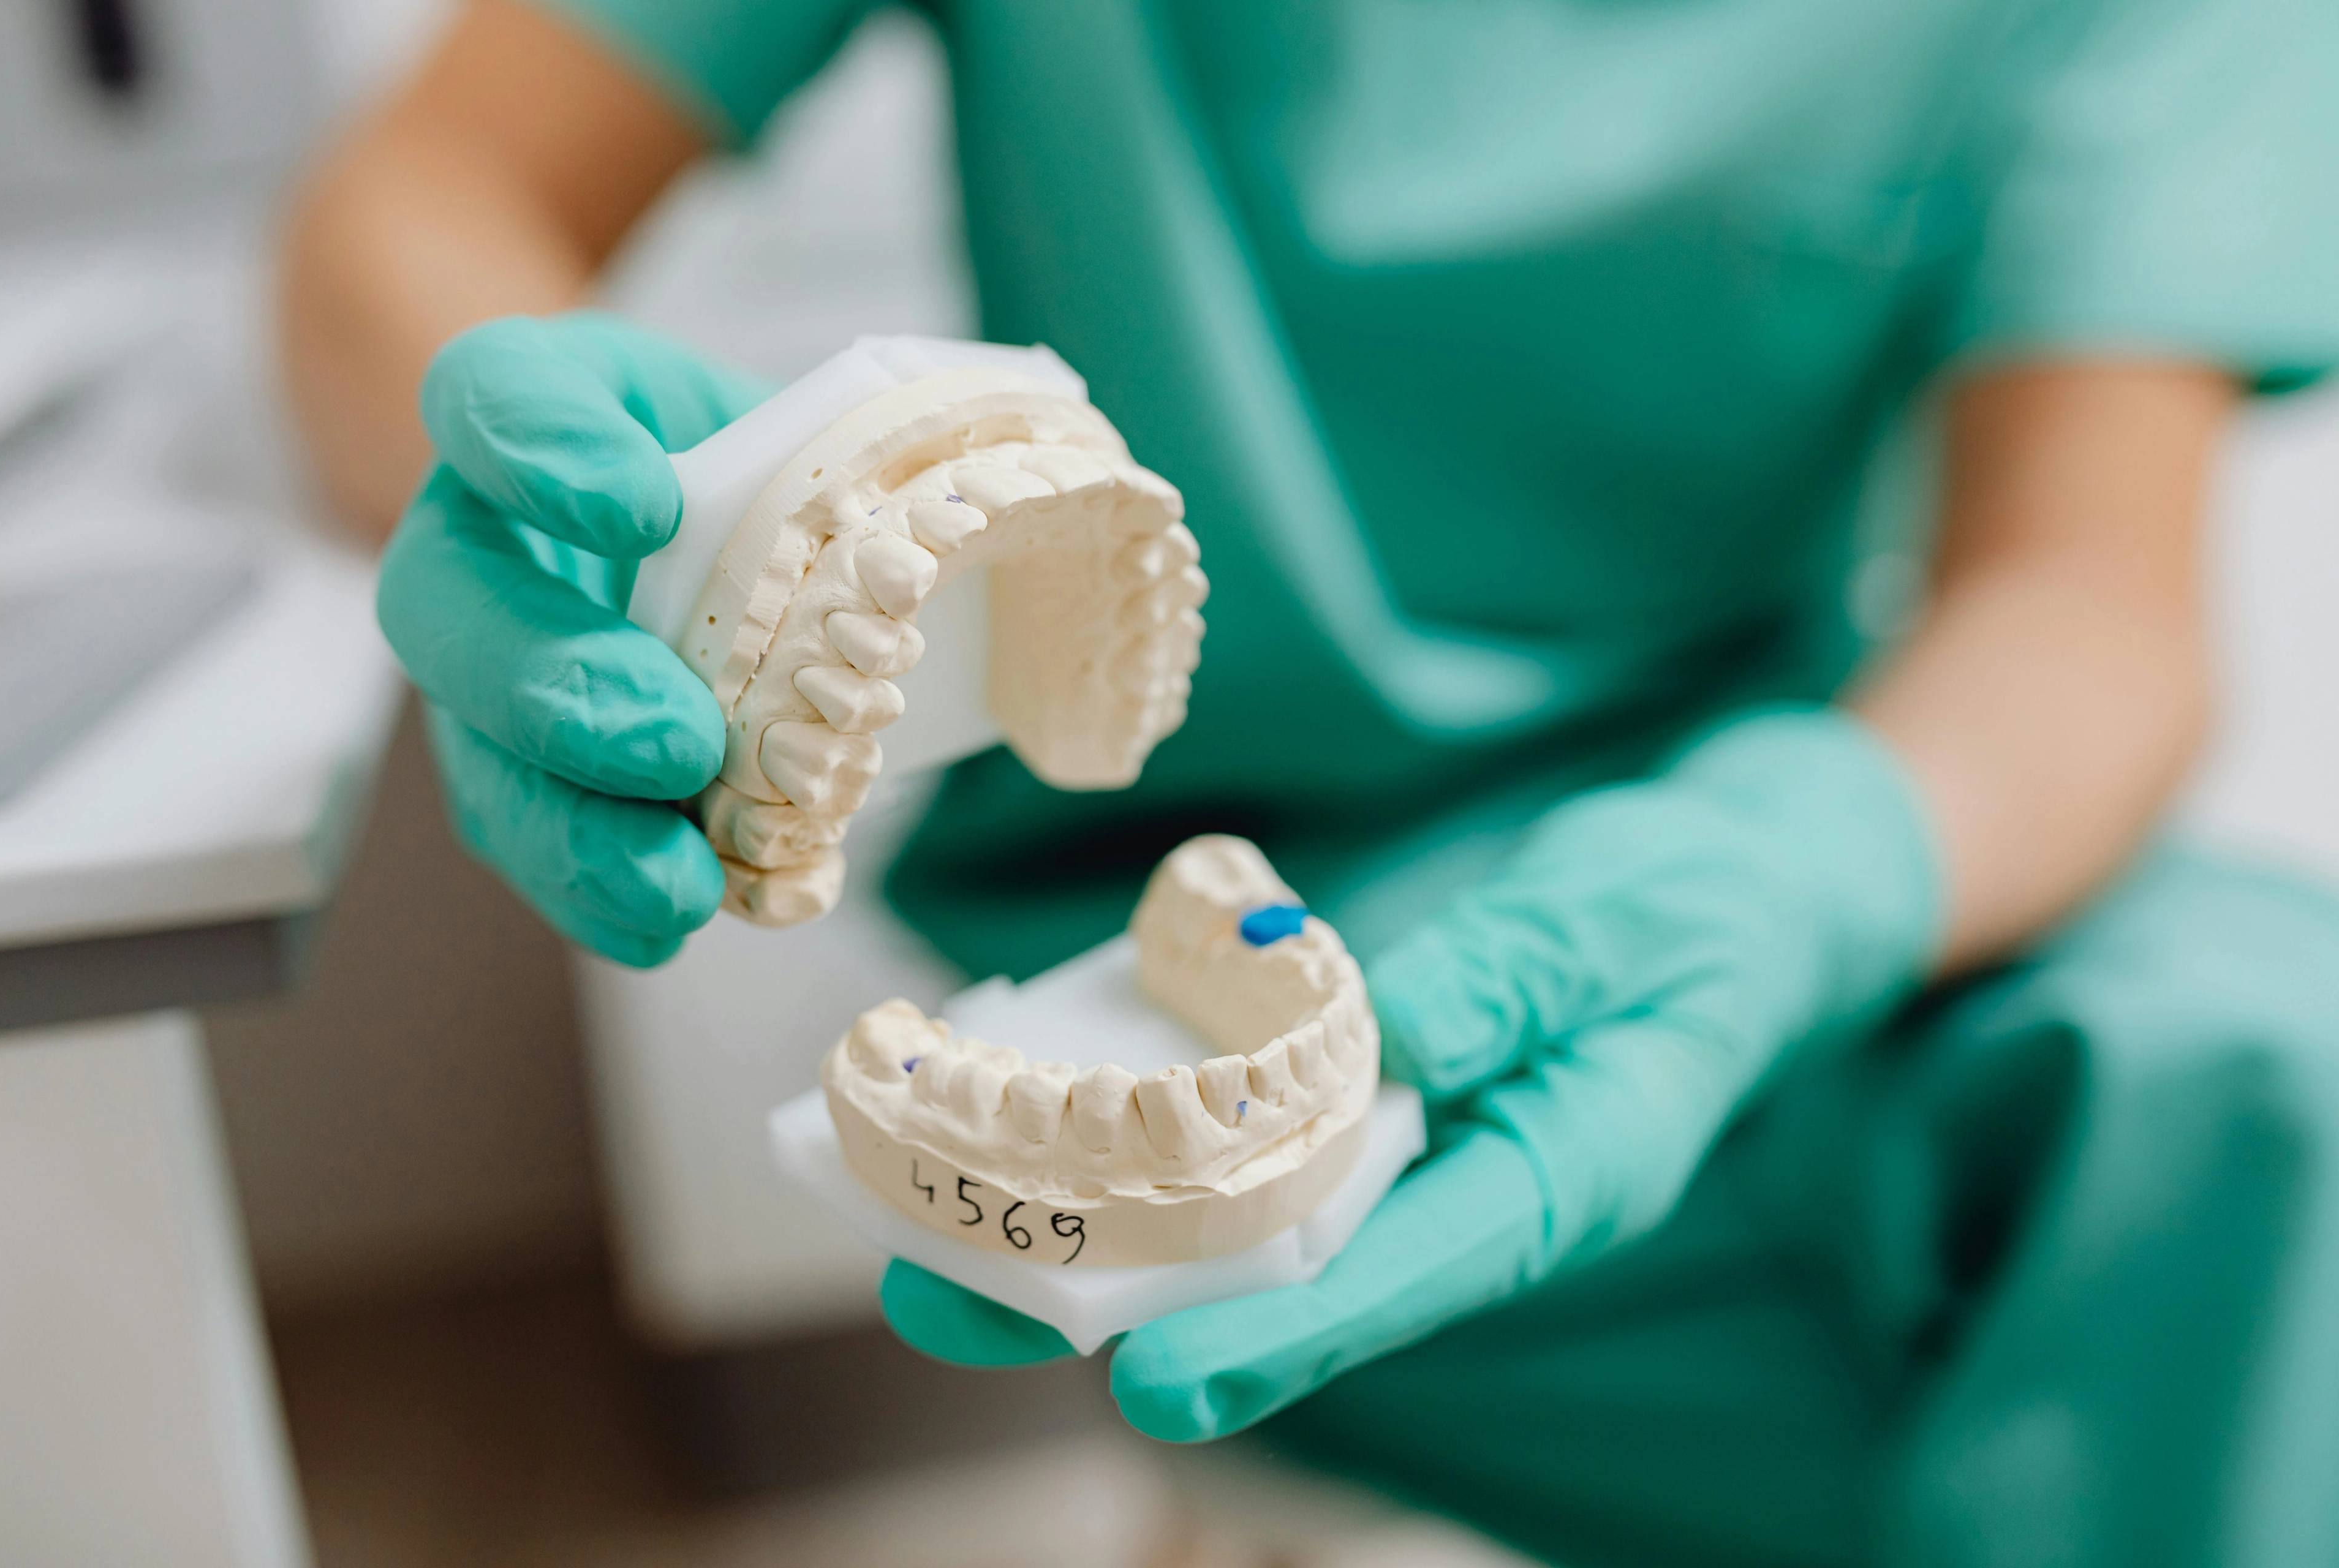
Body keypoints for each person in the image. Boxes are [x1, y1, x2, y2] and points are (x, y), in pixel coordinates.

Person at [281, 2, 2339, 1561]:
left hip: (1786, 843)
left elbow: (2085, 595)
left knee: (2274, 1100)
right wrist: (598, 523)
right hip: (1146, 912)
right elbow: (427, 196)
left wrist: (1815, 864)